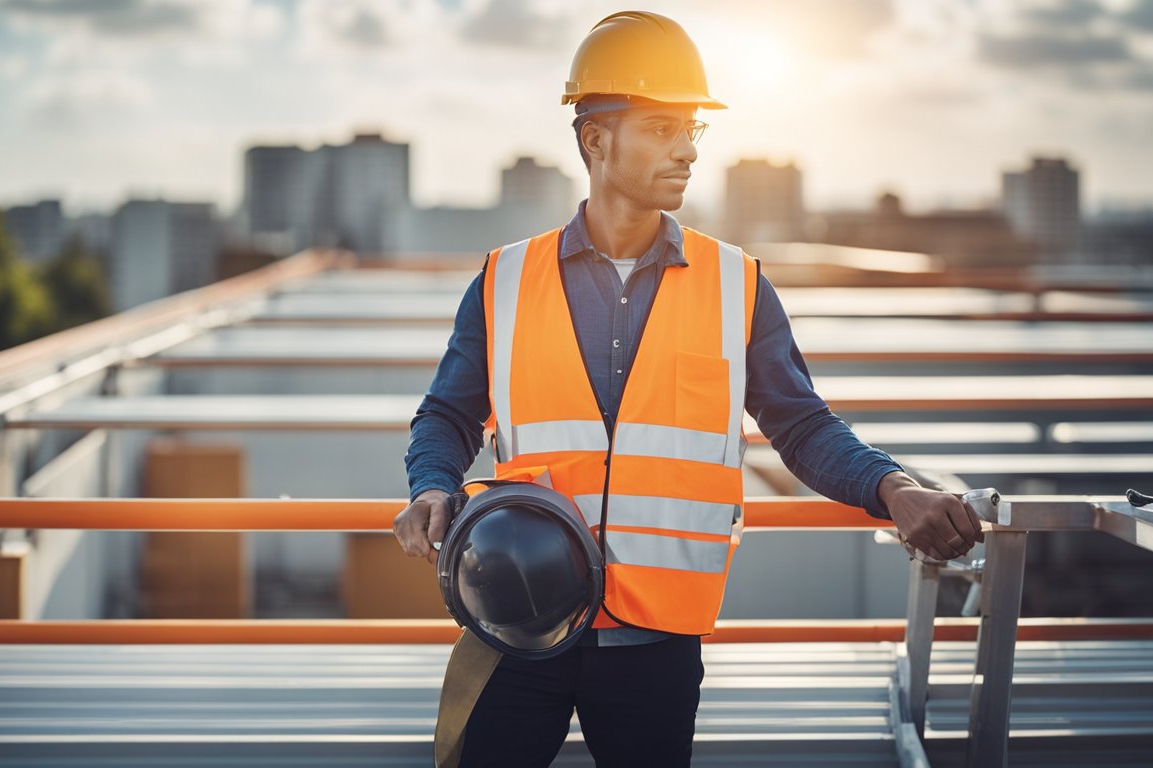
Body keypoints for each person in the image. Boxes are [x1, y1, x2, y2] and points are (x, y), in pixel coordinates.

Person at [393, 10, 983, 767]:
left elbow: (801, 427)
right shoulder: (505, 280)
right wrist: (432, 485)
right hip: (515, 618)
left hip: (655, 645)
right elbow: (446, 413)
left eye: (694, 130)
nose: (689, 151)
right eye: (664, 128)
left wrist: (894, 489)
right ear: (594, 139)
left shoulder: (738, 285)